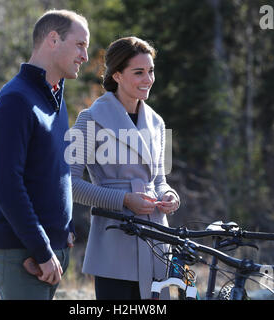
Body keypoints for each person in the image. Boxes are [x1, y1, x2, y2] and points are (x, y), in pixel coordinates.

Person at [0, 9, 89, 300]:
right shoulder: (16, 100)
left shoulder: (55, 96)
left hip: (50, 251)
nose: (85, 56)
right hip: (24, 253)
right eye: (80, 45)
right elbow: (6, 186)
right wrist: (43, 249)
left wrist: (63, 232)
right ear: (53, 40)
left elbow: (55, 171)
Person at [69, 37, 180, 299]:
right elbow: (69, 183)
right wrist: (123, 200)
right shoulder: (88, 120)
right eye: (139, 72)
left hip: (156, 242)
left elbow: (161, 180)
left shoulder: (158, 122)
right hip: (114, 243)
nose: (148, 79)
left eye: (151, 71)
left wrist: (170, 196)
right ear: (117, 75)